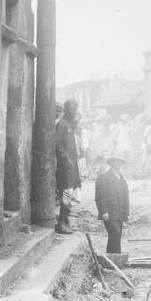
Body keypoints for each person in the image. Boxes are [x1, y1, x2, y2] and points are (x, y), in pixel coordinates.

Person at [94, 151, 130, 258]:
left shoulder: (121, 178)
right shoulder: (104, 177)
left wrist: (126, 213)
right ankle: (112, 258)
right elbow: (100, 196)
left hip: (119, 213)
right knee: (114, 232)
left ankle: (115, 258)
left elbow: (126, 197)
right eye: (115, 161)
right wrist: (104, 211)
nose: (117, 163)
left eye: (120, 162)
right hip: (109, 213)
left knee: (117, 234)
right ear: (111, 163)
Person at [55, 100, 81, 234]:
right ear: (66, 110)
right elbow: (57, 144)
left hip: (71, 167)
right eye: (71, 109)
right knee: (65, 193)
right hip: (64, 166)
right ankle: (61, 223)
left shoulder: (70, 125)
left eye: (75, 109)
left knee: (70, 194)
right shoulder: (62, 125)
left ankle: (65, 221)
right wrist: (65, 158)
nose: (74, 112)